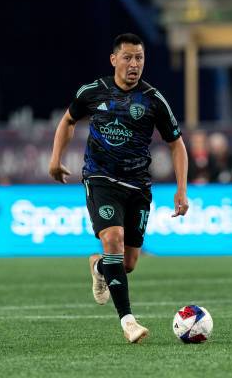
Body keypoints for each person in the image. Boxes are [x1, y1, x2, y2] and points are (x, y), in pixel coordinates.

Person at [49, 33, 189, 344]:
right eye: (127, 57)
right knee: (112, 238)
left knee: (126, 264)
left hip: (138, 185)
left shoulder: (153, 100)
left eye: (139, 58)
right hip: (100, 178)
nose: (134, 64)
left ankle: (99, 266)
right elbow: (68, 121)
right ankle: (128, 321)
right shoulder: (92, 92)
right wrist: (55, 159)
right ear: (114, 59)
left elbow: (177, 145)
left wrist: (182, 189)